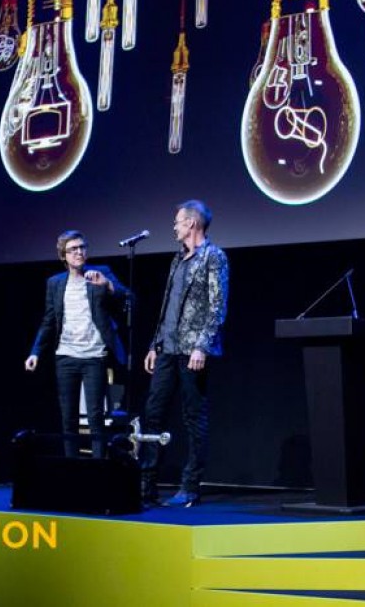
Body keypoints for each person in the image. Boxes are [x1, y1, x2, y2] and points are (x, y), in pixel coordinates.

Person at [140, 200, 228, 507]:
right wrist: (154, 343)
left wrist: (202, 345)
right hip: (167, 348)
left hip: (192, 350)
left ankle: (190, 486)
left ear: (192, 223)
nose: (174, 226)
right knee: (153, 414)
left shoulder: (213, 257)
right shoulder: (177, 260)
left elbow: (217, 306)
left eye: (178, 221)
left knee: (193, 418)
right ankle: (146, 484)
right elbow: (167, 307)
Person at [25, 230, 130, 458]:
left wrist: (108, 285)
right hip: (66, 357)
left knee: (95, 417)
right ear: (63, 255)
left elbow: (128, 297)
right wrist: (35, 352)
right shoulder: (55, 283)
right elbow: (49, 320)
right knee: (68, 418)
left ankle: (99, 470)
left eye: (82, 247)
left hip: (95, 356)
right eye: (73, 249)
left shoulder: (101, 273)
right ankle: (72, 470)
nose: (79, 252)